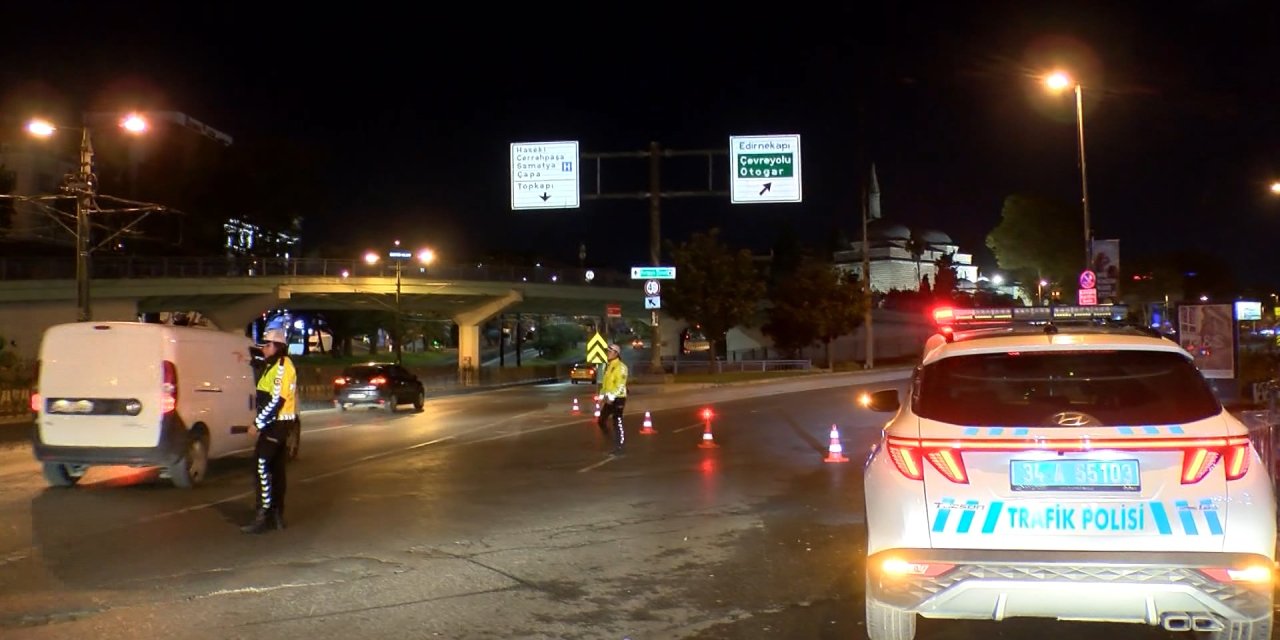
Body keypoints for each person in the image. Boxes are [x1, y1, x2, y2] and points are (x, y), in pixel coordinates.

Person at [241, 326, 298, 534]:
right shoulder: (272, 365)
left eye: (266, 345)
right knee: (276, 469)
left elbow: (276, 400)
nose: (263, 349)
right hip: (277, 424)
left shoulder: (283, 366)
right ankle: (276, 515)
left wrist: (258, 424)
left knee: (261, 465)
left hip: (277, 424)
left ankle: (264, 513)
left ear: (277, 346)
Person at [596, 343, 629, 455]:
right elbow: (605, 383)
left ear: (616, 353)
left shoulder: (621, 367)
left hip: (618, 398)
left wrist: (611, 396)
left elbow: (621, 385)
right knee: (601, 420)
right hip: (609, 398)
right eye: (607, 351)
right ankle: (611, 440)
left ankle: (620, 446)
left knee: (617, 421)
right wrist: (601, 395)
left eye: (609, 352)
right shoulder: (608, 366)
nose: (607, 354)